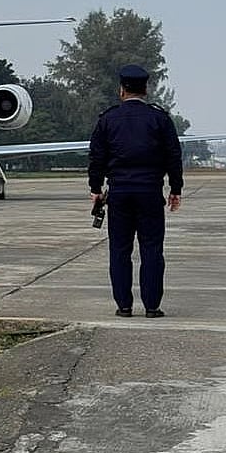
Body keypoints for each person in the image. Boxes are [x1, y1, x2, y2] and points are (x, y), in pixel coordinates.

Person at [88, 64, 183, 319]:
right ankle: (152, 306)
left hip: (119, 192)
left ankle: (124, 305)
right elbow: (174, 155)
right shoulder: (159, 118)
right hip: (150, 191)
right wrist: (176, 188)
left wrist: (95, 188)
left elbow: (96, 157)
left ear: (121, 90)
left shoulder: (108, 119)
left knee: (120, 249)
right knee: (151, 248)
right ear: (146, 89)